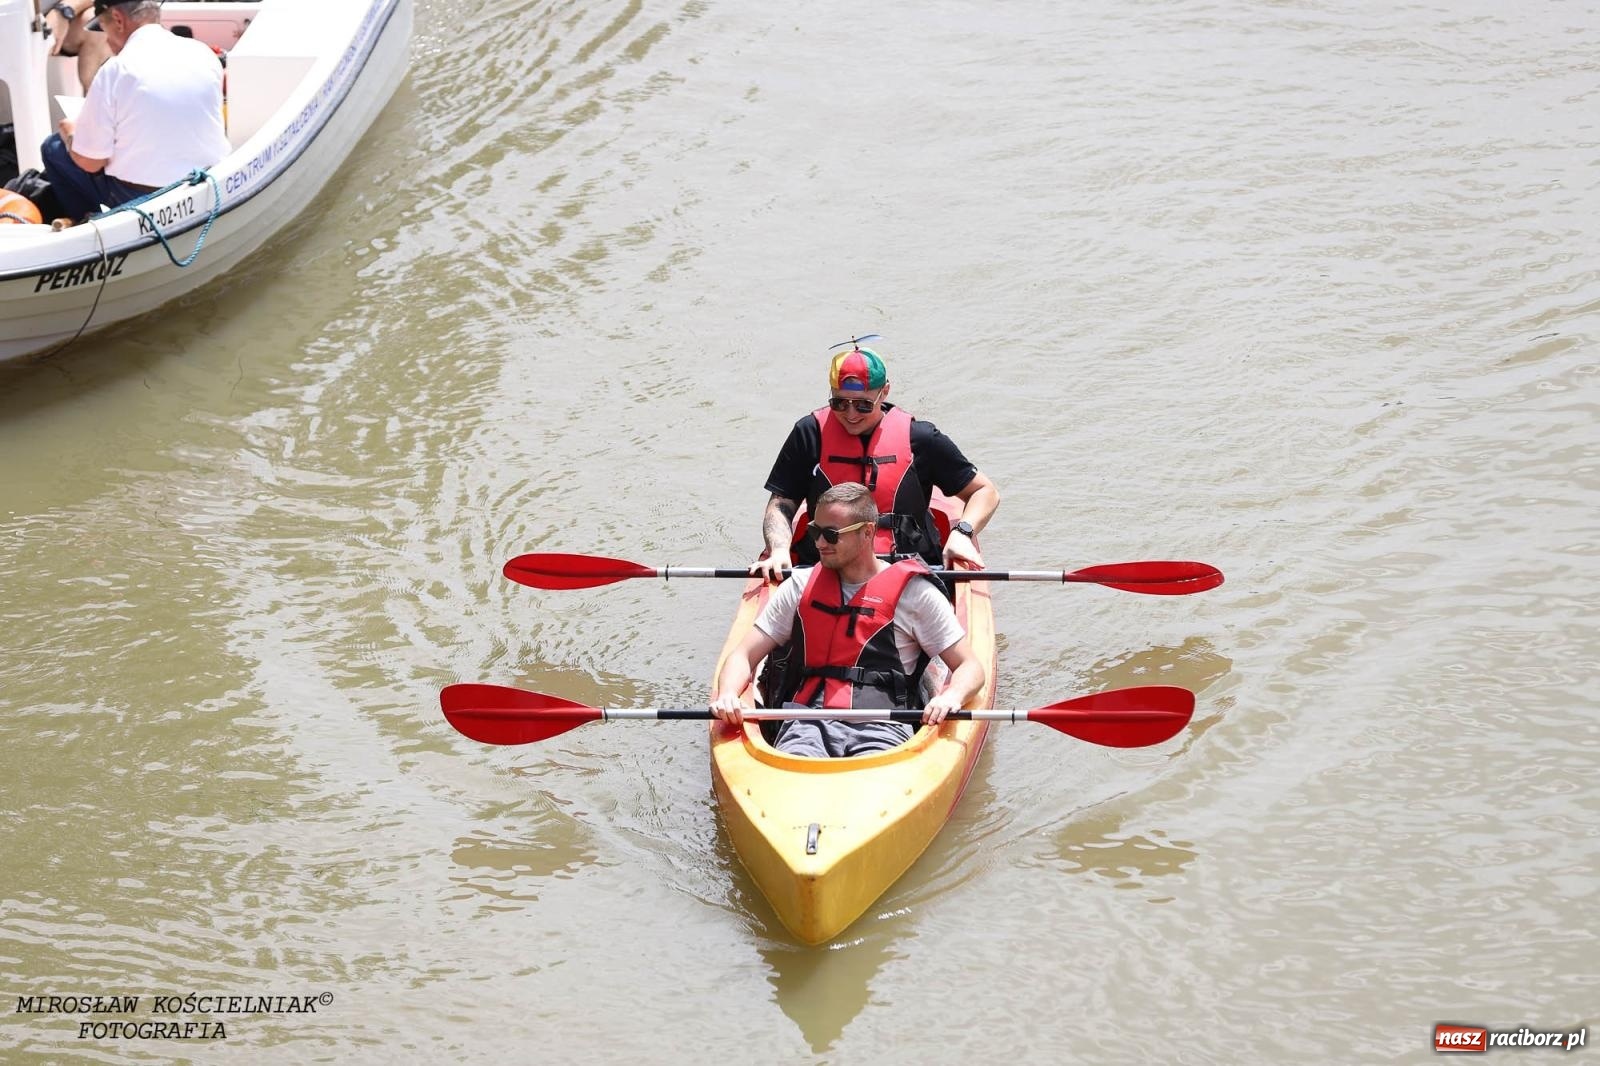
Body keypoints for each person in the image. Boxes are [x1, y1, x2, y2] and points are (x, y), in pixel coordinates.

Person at [712, 483, 987, 758]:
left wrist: (952, 696)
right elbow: (743, 655)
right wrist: (728, 694)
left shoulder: (916, 594)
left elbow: (970, 667)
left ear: (867, 532)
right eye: (815, 531)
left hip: (884, 727)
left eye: (831, 535)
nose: (819, 543)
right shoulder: (799, 586)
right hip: (806, 724)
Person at [750, 337, 1001, 583]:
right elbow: (781, 505)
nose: (850, 414)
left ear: (884, 392)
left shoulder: (921, 438)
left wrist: (962, 533)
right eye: (839, 403)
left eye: (863, 405)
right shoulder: (809, 433)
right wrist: (779, 549)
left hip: (907, 571)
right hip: (824, 569)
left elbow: (984, 491)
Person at [39, 0, 229, 222]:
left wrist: (70, 133)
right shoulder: (202, 52)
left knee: (53, 147)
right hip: (207, 181)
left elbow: (91, 163)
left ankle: (87, 224)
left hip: (141, 196)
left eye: (103, 29)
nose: (106, 41)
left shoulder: (116, 69)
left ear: (118, 20)